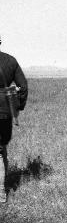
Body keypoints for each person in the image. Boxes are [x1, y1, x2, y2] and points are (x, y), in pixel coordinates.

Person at [0, 36, 28, 203]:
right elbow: (23, 87)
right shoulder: (10, 60)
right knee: (1, 150)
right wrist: (19, 106)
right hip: (4, 111)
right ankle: (2, 194)